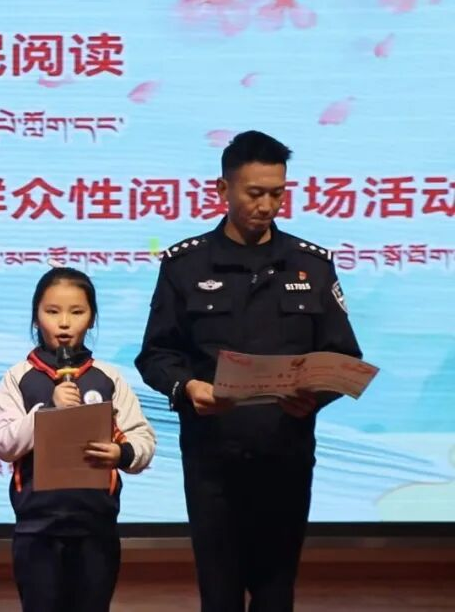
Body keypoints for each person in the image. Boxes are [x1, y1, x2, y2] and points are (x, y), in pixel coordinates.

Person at [135, 130, 363, 612]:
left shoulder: (311, 265)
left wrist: (316, 394)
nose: (266, 206)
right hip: (212, 459)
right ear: (223, 189)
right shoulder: (185, 264)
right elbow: (156, 354)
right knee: (219, 594)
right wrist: (188, 387)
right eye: (255, 193)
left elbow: (343, 354)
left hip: (286, 455)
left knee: (276, 593)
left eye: (277, 193)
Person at [0, 266, 155, 612]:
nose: (64, 323)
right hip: (37, 528)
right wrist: (48, 411)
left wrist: (121, 453)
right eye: (52, 312)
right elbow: (4, 444)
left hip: (96, 526)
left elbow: (142, 440)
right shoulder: (18, 377)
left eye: (77, 312)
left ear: (91, 319)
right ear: (36, 316)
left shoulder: (108, 378)